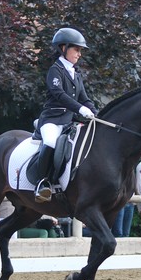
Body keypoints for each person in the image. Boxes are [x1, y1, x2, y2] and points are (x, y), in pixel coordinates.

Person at [34, 27, 98, 202]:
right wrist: (80, 109)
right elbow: (59, 95)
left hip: (69, 122)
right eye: (76, 49)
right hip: (52, 120)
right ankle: (42, 184)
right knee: (50, 142)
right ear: (63, 48)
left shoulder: (76, 74)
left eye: (80, 51)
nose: (79, 54)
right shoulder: (55, 70)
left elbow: (85, 98)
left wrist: (96, 113)